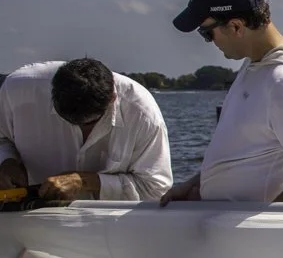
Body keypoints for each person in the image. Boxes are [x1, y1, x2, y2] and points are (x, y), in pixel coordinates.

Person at [161, 0, 283, 204]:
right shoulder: (257, 67)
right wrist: (194, 184)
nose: (210, 42)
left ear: (235, 27)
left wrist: (260, 228)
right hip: (225, 229)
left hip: (250, 238)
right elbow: (244, 154)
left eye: (207, 33)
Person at [0, 57, 172, 201]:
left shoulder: (142, 114)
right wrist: (7, 162)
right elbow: (2, 139)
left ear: (112, 99)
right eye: (66, 120)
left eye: (88, 123)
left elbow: (155, 190)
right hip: (28, 217)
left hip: (110, 225)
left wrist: (88, 181)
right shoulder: (17, 90)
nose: (77, 128)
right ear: (51, 93)